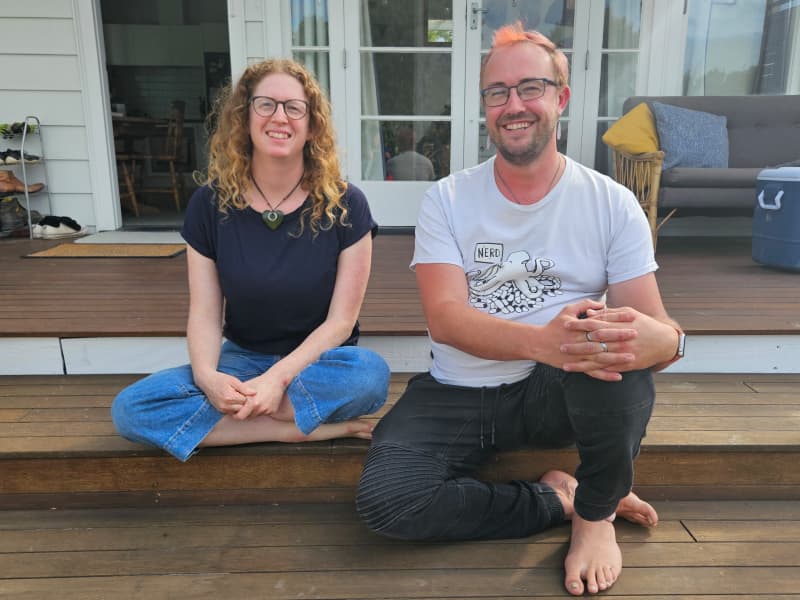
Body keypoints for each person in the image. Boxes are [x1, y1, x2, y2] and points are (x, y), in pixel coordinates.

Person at [356, 23, 685, 596]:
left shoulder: (611, 203)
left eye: (530, 88)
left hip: (550, 392)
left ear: (561, 97)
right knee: (388, 503)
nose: (513, 105)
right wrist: (542, 341)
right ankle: (557, 499)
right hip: (454, 390)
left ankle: (595, 514)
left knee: (609, 347)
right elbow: (446, 318)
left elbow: (655, 327)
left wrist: (669, 344)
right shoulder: (449, 199)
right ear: (485, 107)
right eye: (497, 92)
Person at [112, 58, 390, 462]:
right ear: (244, 118)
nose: (280, 117)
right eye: (266, 105)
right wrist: (209, 378)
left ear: (312, 126)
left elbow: (340, 323)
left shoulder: (346, 204)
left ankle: (249, 418)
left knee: (369, 376)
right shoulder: (209, 204)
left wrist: (277, 380)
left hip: (320, 364)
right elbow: (206, 313)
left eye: (294, 107)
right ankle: (297, 431)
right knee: (130, 409)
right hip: (242, 359)